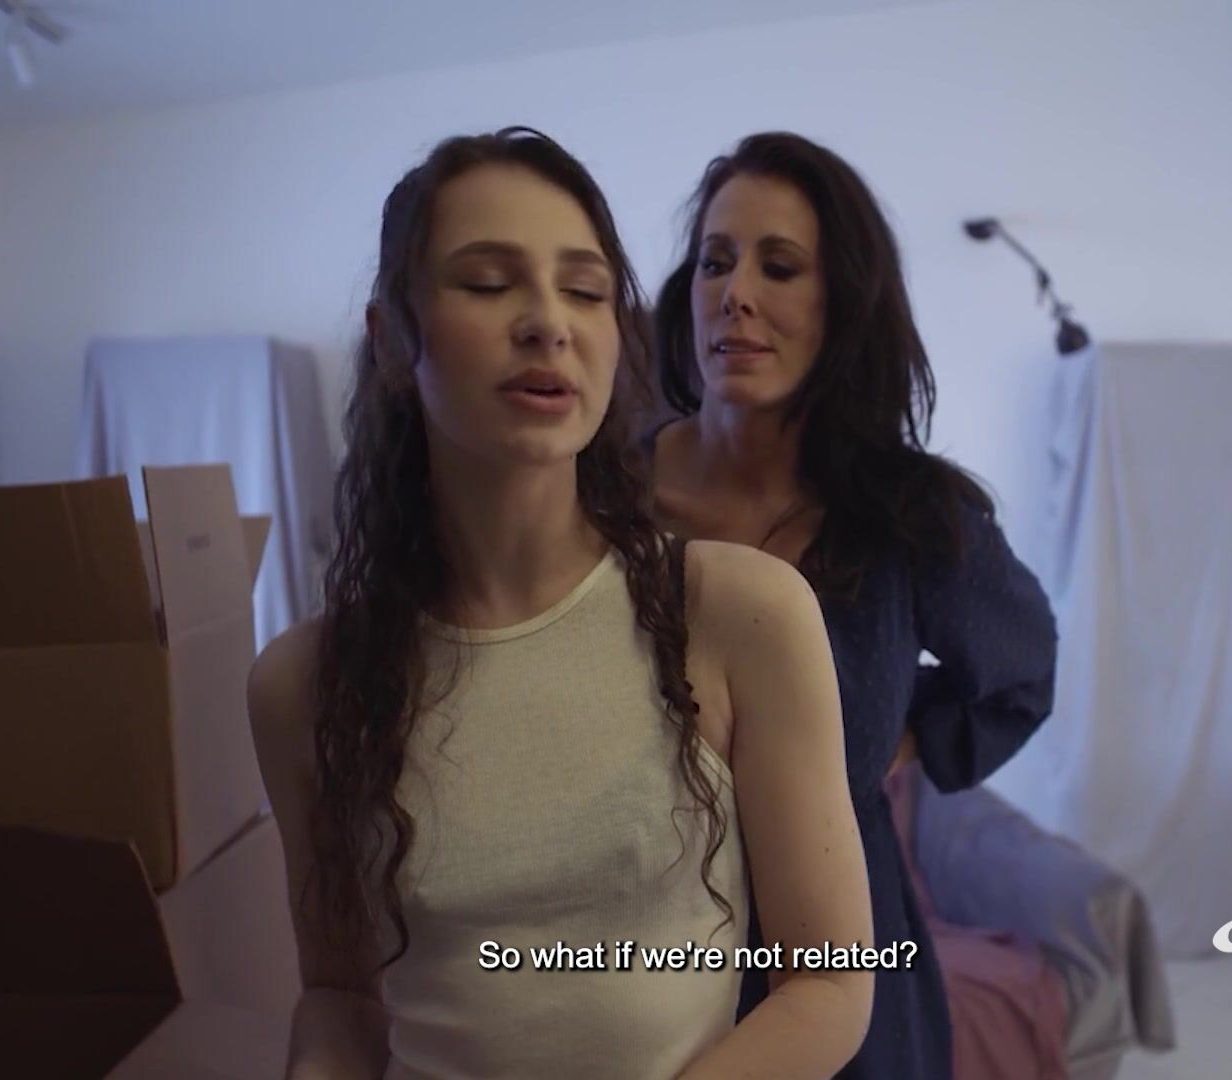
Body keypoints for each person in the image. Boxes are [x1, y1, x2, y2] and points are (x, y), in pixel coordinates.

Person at [246, 128, 873, 1080]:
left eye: (584, 291)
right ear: (392, 339)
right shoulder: (304, 685)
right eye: (488, 283)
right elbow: (339, 997)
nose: (548, 322)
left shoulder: (739, 613)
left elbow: (830, 983)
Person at [642, 132, 1059, 1078]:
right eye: (715, 260)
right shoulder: (604, 501)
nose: (735, 292)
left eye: (780, 266)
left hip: (850, 974)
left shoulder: (913, 519)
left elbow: (1022, 673)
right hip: (635, 957)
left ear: (844, 305)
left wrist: (892, 738)